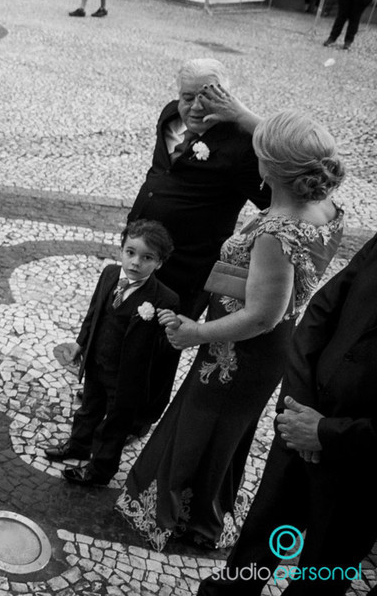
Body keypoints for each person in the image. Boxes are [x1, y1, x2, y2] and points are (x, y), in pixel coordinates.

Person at [117, 110, 345, 551]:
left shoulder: (277, 232)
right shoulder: (323, 204)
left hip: (242, 346)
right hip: (265, 342)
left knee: (208, 422)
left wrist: (195, 333)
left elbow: (263, 314)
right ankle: (199, 504)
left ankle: (188, 515)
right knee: (220, 424)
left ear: (268, 168)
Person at [196, 230, 377, 596]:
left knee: (322, 572)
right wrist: (298, 408)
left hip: (362, 467)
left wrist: (326, 433)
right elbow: (321, 312)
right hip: (299, 425)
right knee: (261, 539)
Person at [126, 59, 271, 433]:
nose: (194, 107)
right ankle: (115, 393)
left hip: (185, 268)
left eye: (207, 98)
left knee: (161, 344)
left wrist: (245, 119)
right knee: (128, 326)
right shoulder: (169, 117)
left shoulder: (241, 148)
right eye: (187, 97)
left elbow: (283, 181)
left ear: (227, 99)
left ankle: (140, 418)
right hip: (141, 254)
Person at [45, 220, 179, 487]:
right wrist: (80, 344)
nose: (135, 262)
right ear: (122, 250)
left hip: (127, 376)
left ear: (160, 263)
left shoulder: (165, 299)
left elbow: (162, 350)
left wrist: (173, 326)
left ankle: (100, 470)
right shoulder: (109, 274)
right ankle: (78, 446)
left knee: (115, 425)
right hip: (97, 362)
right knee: (89, 409)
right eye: (130, 252)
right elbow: (94, 313)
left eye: (147, 257)